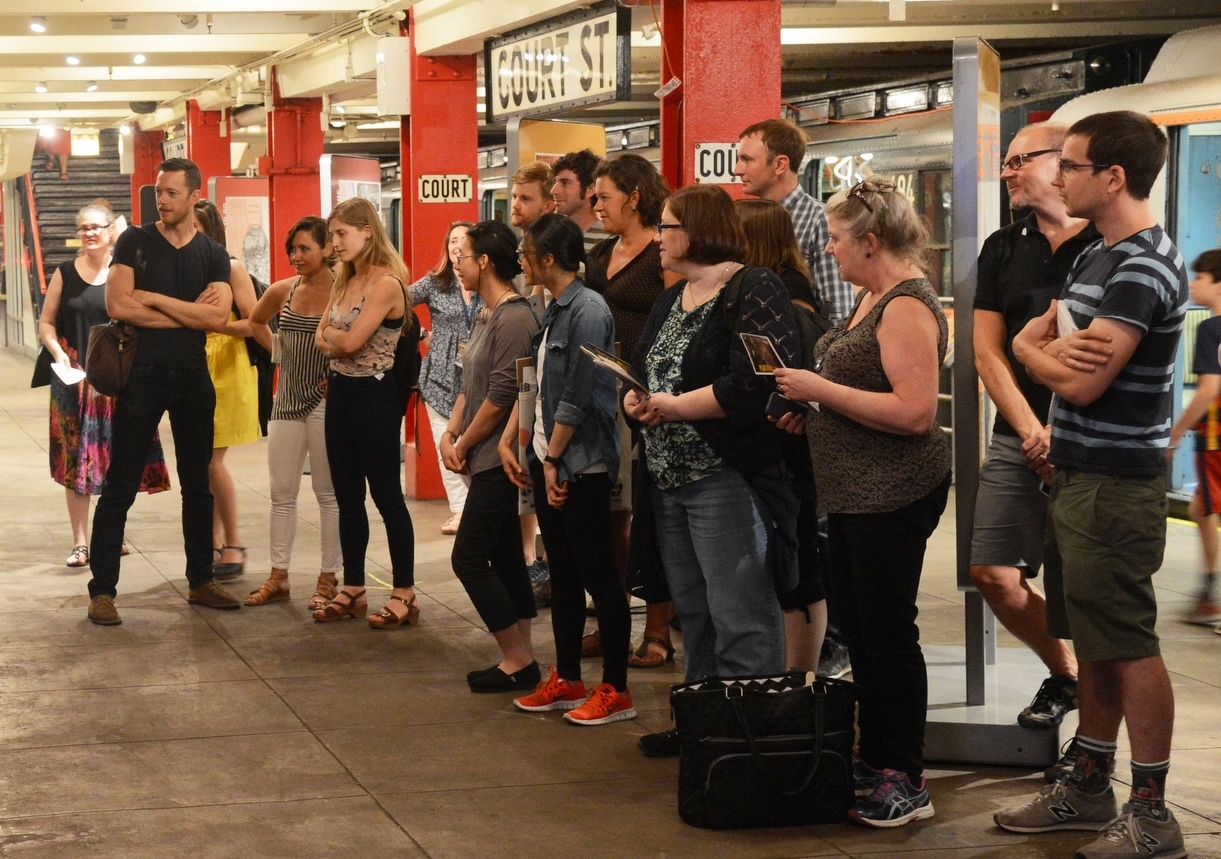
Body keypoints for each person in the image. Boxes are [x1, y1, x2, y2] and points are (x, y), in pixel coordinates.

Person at [999, 110, 1188, 858]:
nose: (1056, 176)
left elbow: (1079, 381)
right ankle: (1087, 781)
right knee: (1095, 642)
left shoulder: (1142, 268)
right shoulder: (1095, 259)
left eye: (1071, 166)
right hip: (1077, 476)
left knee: (1127, 641)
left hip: (1114, 484)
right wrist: (1042, 351)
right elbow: (1058, 352)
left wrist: (1025, 348)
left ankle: (1151, 811)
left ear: (1112, 177)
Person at [775, 177, 951, 827]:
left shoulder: (905, 305)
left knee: (885, 636)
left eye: (838, 238)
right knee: (863, 636)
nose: (829, 247)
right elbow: (858, 392)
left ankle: (902, 772)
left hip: (892, 492)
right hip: (852, 493)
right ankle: (875, 755)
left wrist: (819, 386)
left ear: (871, 242)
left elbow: (912, 413)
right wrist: (815, 406)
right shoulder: (868, 296)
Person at [627, 184, 799, 754]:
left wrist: (674, 405)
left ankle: (749, 741)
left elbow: (754, 384)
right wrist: (635, 400)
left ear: (697, 231)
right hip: (668, 477)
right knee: (694, 611)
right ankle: (703, 721)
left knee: (740, 612)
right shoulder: (671, 298)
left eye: (667, 227)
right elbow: (646, 367)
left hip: (725, 476)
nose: (658, 239)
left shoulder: (753, 288)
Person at [971, 122, 1095, 734]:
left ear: (1063, 162)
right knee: (992, 573)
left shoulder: (1107, 243)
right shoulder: (1002, 246)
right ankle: (1066, 672)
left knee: (1085, 596)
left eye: (1020, 160)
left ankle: (1094, 740)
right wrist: (1029, 431)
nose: (1008, 171)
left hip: (1086, 442)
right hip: (1019, 436)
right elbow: (988, 351)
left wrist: (1058, 432)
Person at [86, 157, 239, 625]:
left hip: (193, 376)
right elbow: (117, 304)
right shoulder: (135, 241)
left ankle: (200, 580)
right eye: (159, 191)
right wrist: (182, 313)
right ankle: (103, 591)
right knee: (121, 484)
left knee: (198, 485)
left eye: (172, 192)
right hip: (142, 375)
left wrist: (150, 299)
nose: (162, 199)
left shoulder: (212, 252)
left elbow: (217, 319)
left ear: (195, 197)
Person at [498, 214, 634, 724]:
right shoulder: (552, 308)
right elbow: (538, 387)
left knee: (600, 576)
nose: (520, 261)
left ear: (548, 259)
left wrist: (553, 460)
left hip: (581, 465)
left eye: (526, 253)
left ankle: (616, 689)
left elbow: (578, 397)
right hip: (550, 459)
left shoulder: (589, 311)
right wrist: (526, 446)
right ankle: (570, 679)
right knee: (565, 576)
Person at [586, 153, 679, 668]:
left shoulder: (660, 254)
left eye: (604, 197)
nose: (596, 206)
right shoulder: (602, 253)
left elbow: (669, 324)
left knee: (649, 516)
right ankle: (614, 619)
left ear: (635, 196)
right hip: (601, 394)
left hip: (645, 397)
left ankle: (659, 629)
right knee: (610, 517)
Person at [39, 201, 170, 568]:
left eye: (97, 226)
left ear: (112, 230)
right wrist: (57, 353)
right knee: (74, 464)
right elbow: (47, 323)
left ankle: (112, 534)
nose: (90, 233)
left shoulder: (125, 272)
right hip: (74, 381)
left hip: (115, 379)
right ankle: (81, 542)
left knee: (118, 462)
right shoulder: (65, 272)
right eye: (84, 228)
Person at [441, 220, 542, 693]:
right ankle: (521, 658)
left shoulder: (515, 317)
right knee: (503, 559)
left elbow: (503, 396)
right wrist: (452, 432)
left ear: (484, 262)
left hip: (503, 460)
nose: (455, 265)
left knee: (469, 558)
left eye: (461, 257)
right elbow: (470, 384)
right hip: (479, 452)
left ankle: (516, 656)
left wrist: (462, 445)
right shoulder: (484, 313)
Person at [312, 197, 418, 630]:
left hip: (374, 398)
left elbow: (351, 342)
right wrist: (337, 337)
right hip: (340, 394)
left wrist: (336, 337)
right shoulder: (343, 278)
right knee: (347, 496)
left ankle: (404, 592)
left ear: (366, 232)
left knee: (388, 496)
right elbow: (321, 336)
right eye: (332, 234)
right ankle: (353, 586)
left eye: (341, 234)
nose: (334, 243)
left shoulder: (387, 283)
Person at [736, 197, 827, 674]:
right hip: (779, 449)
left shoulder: (787, 300)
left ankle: (800, 677)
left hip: (789, 449)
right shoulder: (778, 293)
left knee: (797, 561)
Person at [243, 216, 340, 608]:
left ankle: (328, 578)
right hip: (285, 402)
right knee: (281, 493)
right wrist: (279, 353)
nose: (297, 256)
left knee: (327, 494)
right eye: (293, 249)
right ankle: (278, 576)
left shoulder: (345, 291)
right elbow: (255, 321)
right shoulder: (283, 290)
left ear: (327, 249)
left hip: (326, 404)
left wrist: (339, 375)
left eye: (305, 249)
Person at [193, 199, 260, 580]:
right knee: (201, 461)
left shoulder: (231, 267)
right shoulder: (186, 269)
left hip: (228, 367)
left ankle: (232, 542)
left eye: (196, 228)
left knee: (210, 460)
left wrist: (214, 325)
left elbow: (254, 321)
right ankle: (214, 543)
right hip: (197, 365)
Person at [735, 118, 852, 323]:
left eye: (747, 160)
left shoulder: (819, 220)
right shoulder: (749, 219)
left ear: (780, 164)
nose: (737, 169)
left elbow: (838, 311)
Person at [410, 221, 481, 536]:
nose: (457, 246)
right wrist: (422, 333)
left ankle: (477, 508)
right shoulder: (434, 282)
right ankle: (460, 511)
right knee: (446, 447)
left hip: (477, 379)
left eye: (463, 240)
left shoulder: (485, 282)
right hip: (439, 379)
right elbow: (397, 300)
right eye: (452, 240)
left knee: (475, 446)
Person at [1167, 249, 1221, 627]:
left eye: (1200, 277)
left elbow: (1207, 390)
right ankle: (1208, 593)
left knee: (1207, 506)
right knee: (1201, 507)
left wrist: (1174, 434)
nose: (1193, 284)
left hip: (1216, 438)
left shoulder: (1210, 328)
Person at [508, 161, 555, 584]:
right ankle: (528, 558)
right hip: (524, 379)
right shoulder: (520, 254)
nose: (515, 205)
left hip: (548, 384)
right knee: (525, 473)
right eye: (513, 196)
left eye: (525, 198)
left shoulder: (550, 258)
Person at [550, 149, 602, 238]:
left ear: (590, 189)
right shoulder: (550, 236)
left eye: (565, 183)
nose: (553, 191)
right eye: (555, 182)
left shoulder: (607, 240)